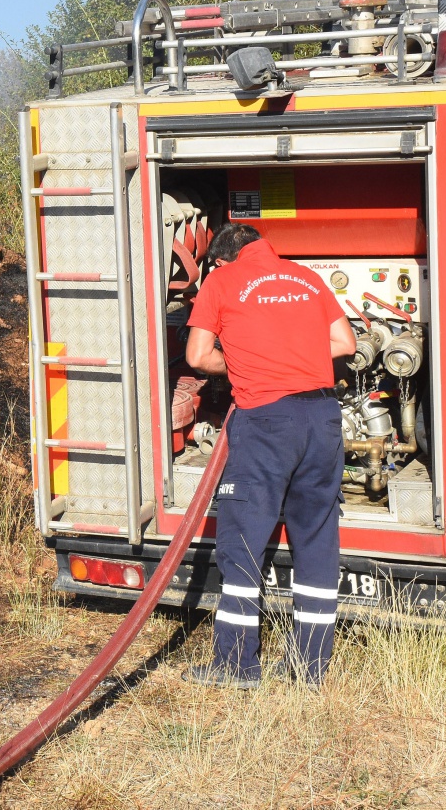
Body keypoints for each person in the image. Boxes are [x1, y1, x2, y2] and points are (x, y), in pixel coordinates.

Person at [181, 223, 357, 689]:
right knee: (317, 538)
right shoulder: (307, 278)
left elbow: (198, 356)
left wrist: (241, 361)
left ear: (221, 260)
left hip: (266, 422)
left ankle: (237, 664)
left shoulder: (221, 281)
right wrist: (291, 352)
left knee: (242, 538)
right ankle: (309, 669)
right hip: (321, 419)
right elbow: (346, 344)